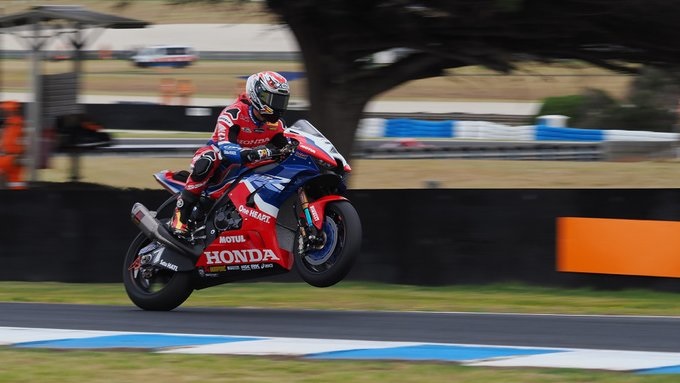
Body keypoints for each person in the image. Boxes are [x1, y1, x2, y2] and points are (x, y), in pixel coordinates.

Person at [169, 71, 291, 237]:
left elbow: (286, 145)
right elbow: (226, 147)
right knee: (210, 159)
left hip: (249, 167)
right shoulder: (234, 113)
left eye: (281, 101)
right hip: (222, 160)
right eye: (274, 100)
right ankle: (180, 215)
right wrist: (252, 153)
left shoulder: (276, 125)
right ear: (258, 95)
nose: (278, 106)